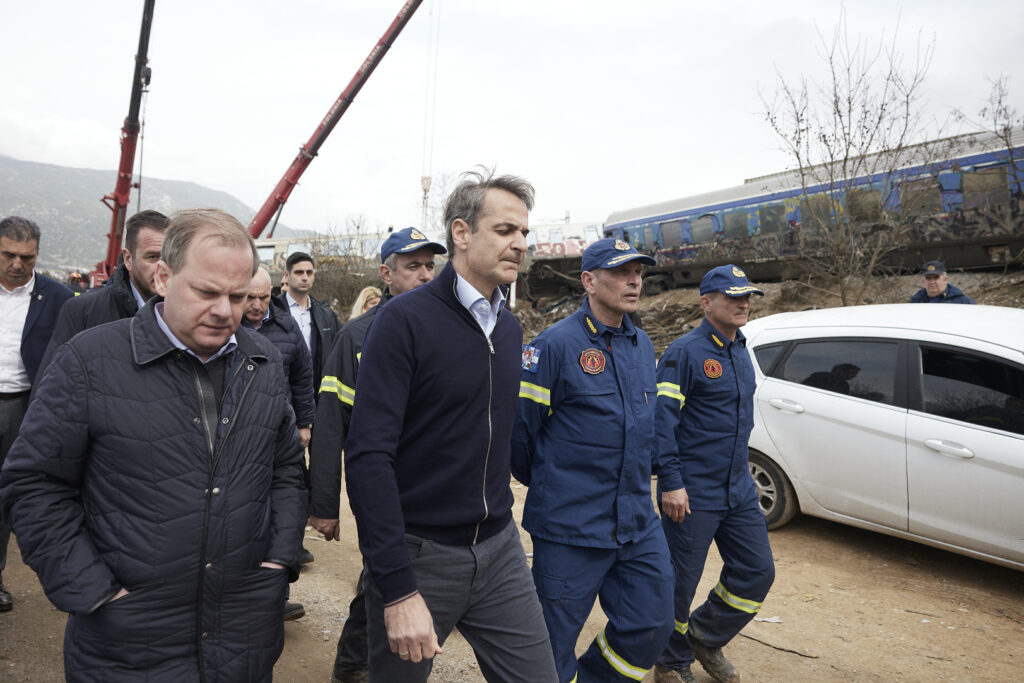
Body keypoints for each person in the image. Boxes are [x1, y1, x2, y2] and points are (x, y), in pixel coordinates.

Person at [0, 209, 308, 680]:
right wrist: (95, 591)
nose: (226, 310)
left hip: (242, 637)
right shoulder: (89, 361)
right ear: (163, 277)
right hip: (125, 641)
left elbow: (285, 467)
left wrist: (277, 560)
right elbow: (34, 483)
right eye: (206, 292)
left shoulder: (262, 363)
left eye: (238, 295)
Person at [343, 170, 557, 682]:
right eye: (505, 230)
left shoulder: (508, 328)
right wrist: (397, 588)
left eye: (524, 233)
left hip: (500, 549)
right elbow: (369, 455)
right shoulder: (404, 321)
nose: (520, 244)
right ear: (462, 234)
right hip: (421, 556)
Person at [512, 238, 674, 682]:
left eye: (638, 272)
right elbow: (520, 438)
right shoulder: (553, 346)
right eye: (622, 272)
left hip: (637, 521)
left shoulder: (641, 344)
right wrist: (558, 485)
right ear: (588, 281)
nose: (634, 280)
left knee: (653, 623)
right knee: (551, 641)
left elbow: (649, 425)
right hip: (571, 526)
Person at [309, 226, 446, 683]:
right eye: (413, 267)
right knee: (384, 579)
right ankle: (352, 665)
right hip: (385, 491)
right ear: (387, 274)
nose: (425, 275)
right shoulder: (357, 337)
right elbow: (330, 424)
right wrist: (324, 505)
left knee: (394, 580)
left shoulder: (451, 327)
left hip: (438, 492)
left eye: (430, 266)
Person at [653, 264, 775, 683]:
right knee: (678, 585)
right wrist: (671, 483)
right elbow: (661, 424)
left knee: (757, 571)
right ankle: (670, 661)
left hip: (738, 489)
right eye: (733, 296)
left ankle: (704, 635)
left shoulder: (742, 349)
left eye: (747, 296)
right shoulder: (684, 353)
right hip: (693, 491)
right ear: (707, 303)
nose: (743, 304)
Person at [0, 216, 73, 612]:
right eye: (8, 254)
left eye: (26, 257)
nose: (17, 264)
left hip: (23, 409)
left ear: (37, 256)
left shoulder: (57, 298)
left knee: (7, 499)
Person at [243, 266, 316, 622]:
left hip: (281, 435)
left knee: (285, 508)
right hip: (241, 437)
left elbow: (303, 377)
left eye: (262, 297)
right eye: (250, 298)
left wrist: (304, 423)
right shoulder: (229, 325)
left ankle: (277, 593)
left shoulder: (286, 327)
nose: (257, 306)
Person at [38, 210, 170, 374]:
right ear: (128, 259)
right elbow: (53, 387)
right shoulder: (82, 313)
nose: (163, 268)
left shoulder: (187, 315)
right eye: (153, 257)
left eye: (169, 258)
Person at [274, 252, 342, 394]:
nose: (305, 277)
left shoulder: (326, 315)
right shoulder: (273, 310)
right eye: (299, 272)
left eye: (309, 273)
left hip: (316, 393)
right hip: (281, 391)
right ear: (287, 275)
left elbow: (336, 355)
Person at [910, 261, 975, 304]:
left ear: (945, 280)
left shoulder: (963, 302)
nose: (932, 282)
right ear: (923, 281)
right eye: (928, 278)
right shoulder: (915, 302)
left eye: (936, 277)